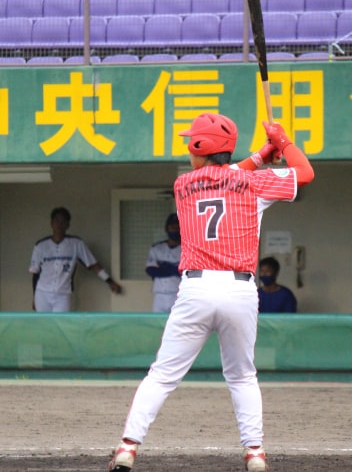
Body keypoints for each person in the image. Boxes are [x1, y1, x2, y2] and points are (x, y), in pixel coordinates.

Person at [108, 113, 314, 472]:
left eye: (192, 141)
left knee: (161, 375)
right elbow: (305, 174)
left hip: (196, 289)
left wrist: (262, 154)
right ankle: (254, 454)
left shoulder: (183, 184)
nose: (189, 145)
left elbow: (231, 173)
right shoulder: (255, 184)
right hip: (239, 290)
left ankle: (127, 448)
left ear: (200, 148)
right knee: (242, 376)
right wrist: (282, 143)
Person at [29, 206, 121, 312]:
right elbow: (35, 273)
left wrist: (110, 282)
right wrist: (34, 297)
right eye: (57, 221)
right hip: (42, 293)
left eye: (63, 221)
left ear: (67, 225)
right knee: (44, 324)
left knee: (62, 325)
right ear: (51, 223)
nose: (59, 224)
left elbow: (93, 265)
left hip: (63, 294)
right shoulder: (40, 245)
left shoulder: (76, 244)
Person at [145, 212, 181, 313]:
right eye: (172, 226)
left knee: (177, 326)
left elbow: (185, 272)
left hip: (178, 294)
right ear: (167, 228)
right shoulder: (157, 248)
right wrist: (174, 268)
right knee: (157, 325)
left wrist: (164, 267)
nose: (175, 229)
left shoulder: (187, 250)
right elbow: (151, 270)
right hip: (159, 294)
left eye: (178, 227)